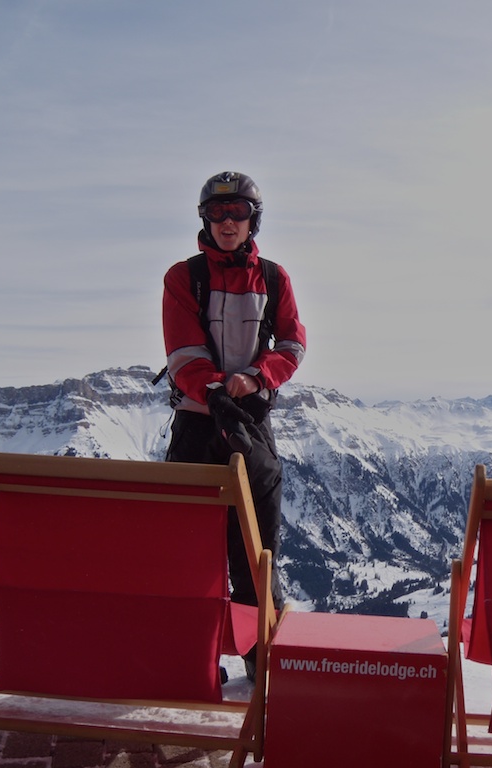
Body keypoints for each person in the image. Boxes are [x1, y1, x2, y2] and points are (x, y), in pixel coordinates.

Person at [161, 171, 306, 676]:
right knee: (191, 551)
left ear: (252, 219)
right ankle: (190, 660)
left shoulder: (273, 278)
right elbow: (183, 351)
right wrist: (218, 388)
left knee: (256, 548)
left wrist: (257, 378)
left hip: (250, 420)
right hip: (199, 424)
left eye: (238, 212)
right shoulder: (184, 277)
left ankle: (258, 658)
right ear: (204, 219)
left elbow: (292, 344)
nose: (227, 222)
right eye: (217, 213)